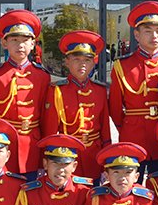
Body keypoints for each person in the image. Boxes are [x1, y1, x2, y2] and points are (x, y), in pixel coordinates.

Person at [109, 1, 158, 172]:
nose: (154, 36)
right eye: (148, 31)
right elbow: (115, 107)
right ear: (137, 35)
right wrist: (125, 128)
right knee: (131, 183)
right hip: (133, 136)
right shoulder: (122, 66)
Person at [0, 10, 53, 179]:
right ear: (4, 43)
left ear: (33, 44)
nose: (20, 45)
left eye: (25, 40)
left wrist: (46, 151)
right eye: (14, 40)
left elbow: (46, 118)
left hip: (33, 145)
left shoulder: (42, 76)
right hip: (2, 146)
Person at [44, 30, 111, 181]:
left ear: (94, 62)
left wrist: (106, 162)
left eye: (87, 60)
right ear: (67, 62)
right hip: (66, 156)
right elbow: (51, 130)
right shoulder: (57, 91)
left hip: (94, 155)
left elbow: (105, 129)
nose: (82, 64)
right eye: (76, 59)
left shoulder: (100, 90)